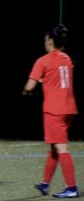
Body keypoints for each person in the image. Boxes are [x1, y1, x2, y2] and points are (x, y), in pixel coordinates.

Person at [23, 24, 79, 198]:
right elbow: (59, 80)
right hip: (69, 109)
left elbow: (30, 85)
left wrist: (26, 91)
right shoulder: (67, 59)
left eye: (45, 39)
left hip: (54, 110)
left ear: (49, 41)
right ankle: (45, 184)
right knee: (55, 148)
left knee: (61, 148)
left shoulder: (43, 60)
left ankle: (72, 188)